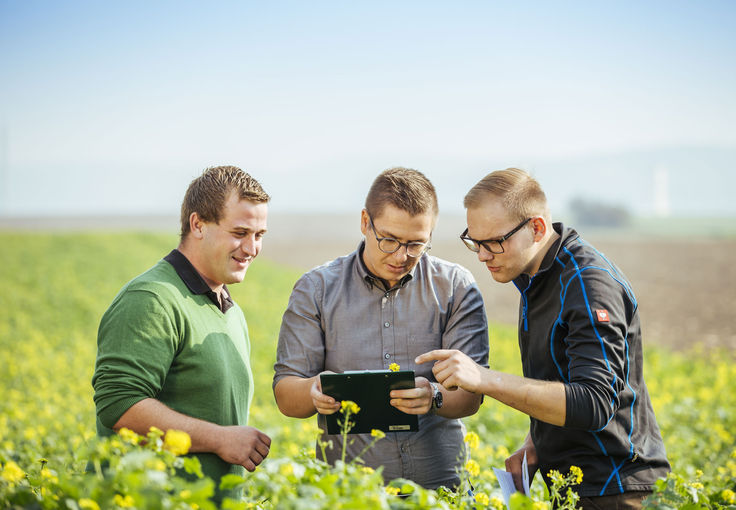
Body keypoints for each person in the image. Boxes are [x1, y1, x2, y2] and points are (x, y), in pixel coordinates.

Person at [417, 168, 670, 508]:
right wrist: (536, 441)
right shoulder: (537, 278)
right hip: (574, 489)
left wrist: (484, 379)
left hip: (615, 491)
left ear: (536, 228)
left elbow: (595, 402)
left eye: (494, 242)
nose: (482, 255)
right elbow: (564, 379)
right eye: (475, 242)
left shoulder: (587, 285)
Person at [273, 167, 489, 489]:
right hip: (349, 493)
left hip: (440, 490)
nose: (401, 256)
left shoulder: (455, 287)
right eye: (389, 240)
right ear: (365, 222)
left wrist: (433, 396)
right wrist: (313, 390)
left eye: (416, 244)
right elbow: (286, 395)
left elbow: (471, 396)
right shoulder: (315, 289)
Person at [92, 165, 272, 502]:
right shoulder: (152, 298)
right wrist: (220, 439)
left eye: (259, 235)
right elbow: (120, 404)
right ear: (198, 224)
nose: (251, 248)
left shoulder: (229, 310)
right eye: (239, 232)